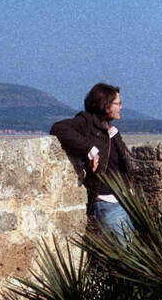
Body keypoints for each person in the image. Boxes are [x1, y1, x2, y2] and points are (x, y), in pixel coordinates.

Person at [49, 82, 135, 244]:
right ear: (105, 105)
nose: (121, 107)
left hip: (125, 201)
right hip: (107, 203)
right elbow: (58, 128)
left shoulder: (112, 131)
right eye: (118, 103)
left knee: (130, 250)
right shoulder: (86, 122)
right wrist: (90, 150)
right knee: (124, 252)